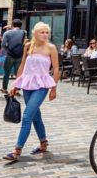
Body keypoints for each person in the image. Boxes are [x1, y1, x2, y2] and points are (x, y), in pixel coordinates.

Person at [4, 22, 60, 162]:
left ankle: (17, 150)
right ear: (35, 33)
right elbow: (22, 65)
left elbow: (56, 69)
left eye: (47, 32)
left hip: (42, 85)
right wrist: (16, 84)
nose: (45, 34)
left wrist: (53, 88)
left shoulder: (51, 48)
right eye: (42, 32)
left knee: (27, 116)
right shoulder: (28, 46)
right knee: (35, 116)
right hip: (27, 84)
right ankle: (43, 142)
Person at [0, 19, 26, 92]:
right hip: (20, 54)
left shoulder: (7, 33)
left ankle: (4, 88)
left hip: (10, 55)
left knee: (6, 72)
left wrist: (8, 50)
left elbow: (3, 44)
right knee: (18, 72)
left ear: (12, 25)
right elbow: (25, 43)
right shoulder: (24, 32)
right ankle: (17, 89)